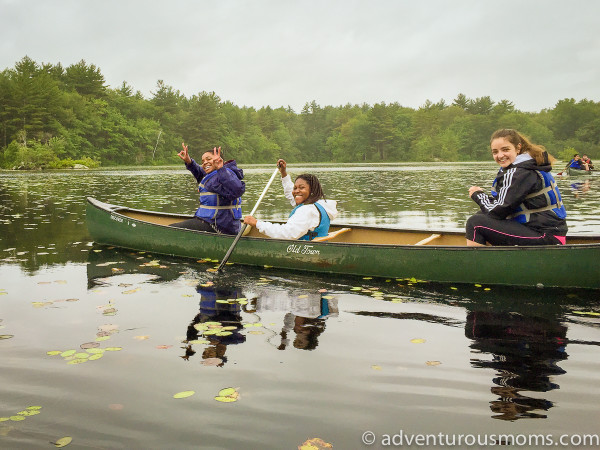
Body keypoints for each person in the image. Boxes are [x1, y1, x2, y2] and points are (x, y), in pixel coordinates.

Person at [466, 129, 567, 246]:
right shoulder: (524, 166)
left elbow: (497, 212)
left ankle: (475, 262)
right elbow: (502, 206)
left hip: (547, 237)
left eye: (505, 150)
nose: (500, 155)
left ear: (518, 148)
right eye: (495, 152)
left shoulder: (521, 172)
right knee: (481, 215)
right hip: (546, 233)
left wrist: (477, 195)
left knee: (475, 223)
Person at [243, 159, 338, 240]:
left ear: (312, 190)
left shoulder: (307, 210)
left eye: (301, 188)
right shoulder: (319, 204)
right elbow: (291, 192)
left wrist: (257, 223)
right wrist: (283, 173)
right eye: (295, 188)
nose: (296, 191)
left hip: (306, 249)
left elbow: (287, 233)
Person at [171, 143, 245, 235]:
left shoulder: (226, 173)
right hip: (209, 222)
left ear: (219, 160)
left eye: (209, 159)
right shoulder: (212, 175)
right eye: (203, 161)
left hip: (219, 226)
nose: (205, 162)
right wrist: (189, 161)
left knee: (171, 229)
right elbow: (200, 173)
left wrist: (221, 169)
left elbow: (237, 190)